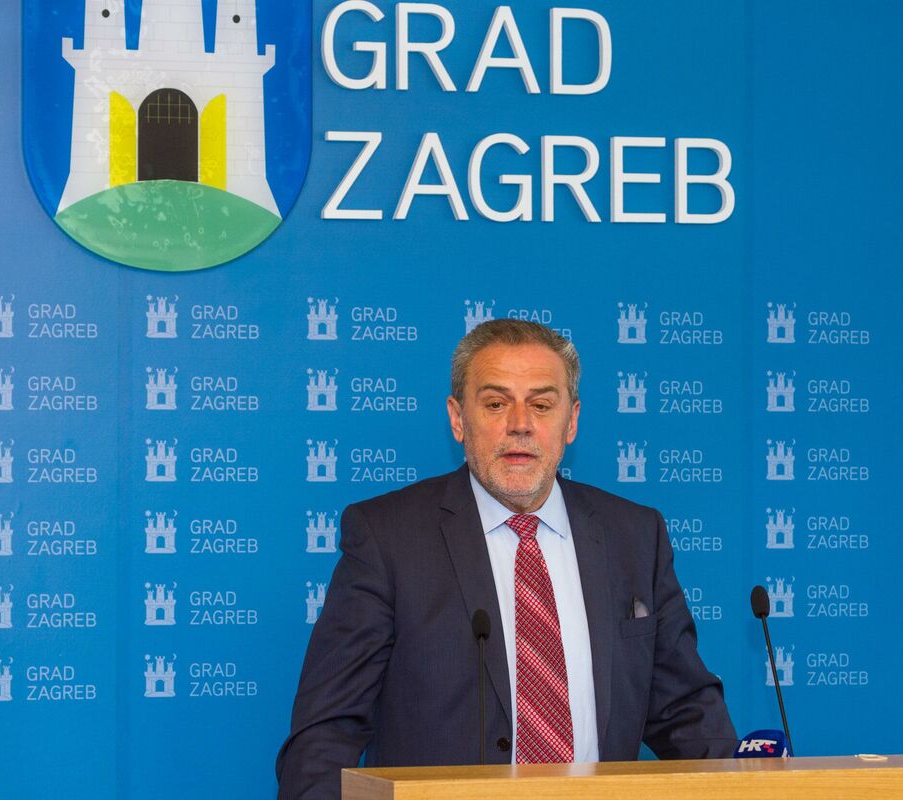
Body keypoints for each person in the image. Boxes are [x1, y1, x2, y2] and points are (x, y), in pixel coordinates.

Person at [275, 319, 736, 799]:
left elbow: (685, 713)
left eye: (541, 405)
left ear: (571, 421)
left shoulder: (635, 535)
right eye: (496, 404)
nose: (520, 424)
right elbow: (326, 733)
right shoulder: (388, 537)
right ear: (458, 418)